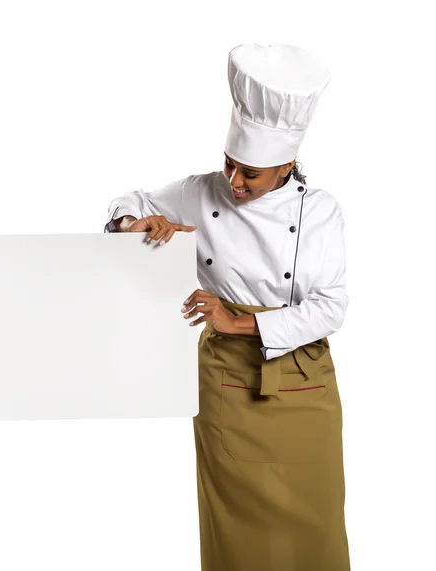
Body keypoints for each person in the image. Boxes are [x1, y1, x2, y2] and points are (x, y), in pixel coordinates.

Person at [104, 43, 350, 571]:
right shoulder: (204, 191)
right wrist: (136, 226)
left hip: (304, 380)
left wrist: (237, 320)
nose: (234, 183)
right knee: (235, 533)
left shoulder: (322, 213)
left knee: (318, 526)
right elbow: (126, 204)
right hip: (227, 385)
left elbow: (330, 307)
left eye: (251, 174)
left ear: (286, 164)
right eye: (230, 165)